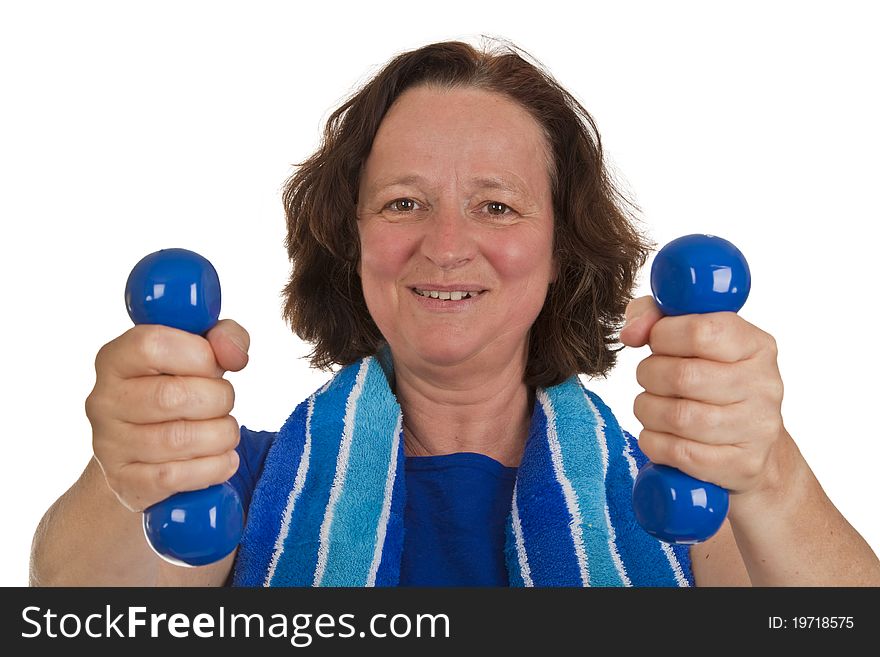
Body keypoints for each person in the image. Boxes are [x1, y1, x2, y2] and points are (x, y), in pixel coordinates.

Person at [30, 39, 880, 587]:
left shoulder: (680, 503)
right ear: (350, 239)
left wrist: (767, 475)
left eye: (497, 208)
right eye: (403, 203)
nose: (445, 245)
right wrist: (127, 473)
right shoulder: (230, 483)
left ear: (561, 252)